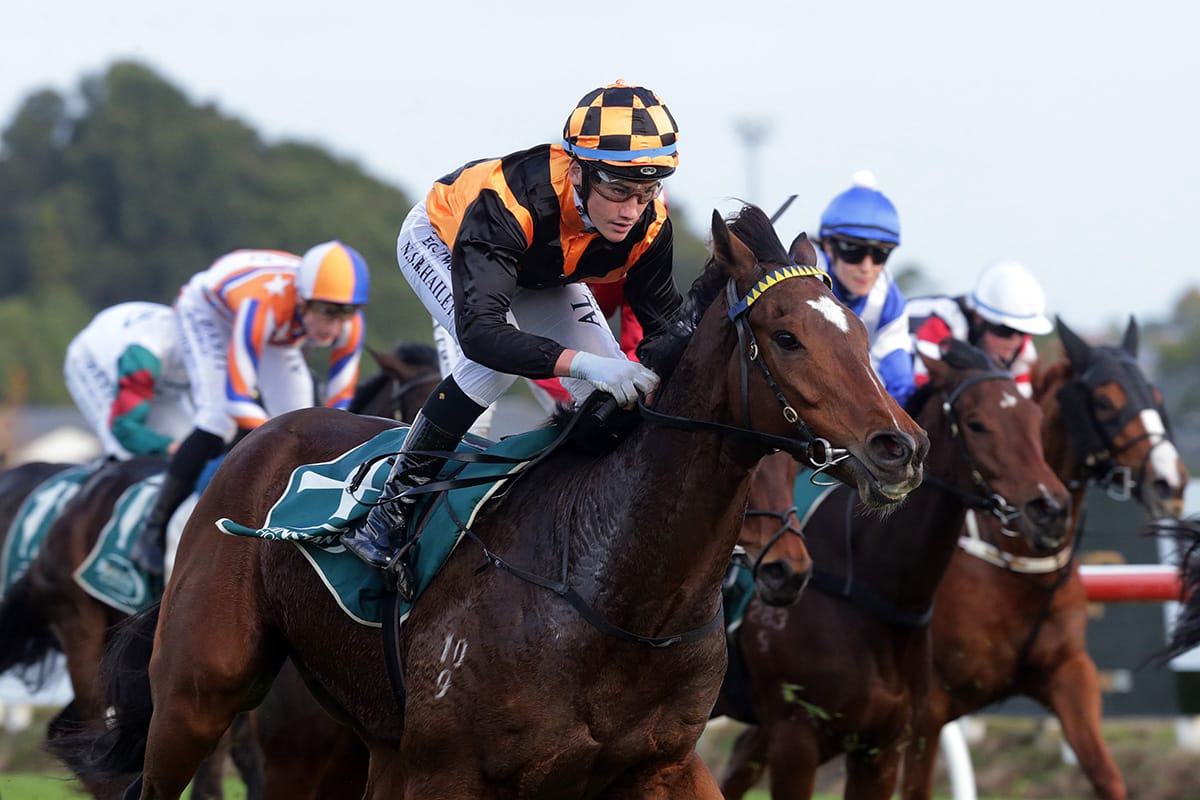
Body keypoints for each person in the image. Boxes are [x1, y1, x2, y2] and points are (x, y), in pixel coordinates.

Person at [340, 80, 686, 576]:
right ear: (578, 170)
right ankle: (387, 512)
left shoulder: (651, 222)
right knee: (493, 366)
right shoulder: (510, 201)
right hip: (443, 240)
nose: (632, 210)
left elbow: (663, 326)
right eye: (617, 188)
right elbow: (481, 332)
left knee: (609, 398)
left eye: (647, 189)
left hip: (541, 269)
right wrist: (585, 365)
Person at [130, 241, 371, 574]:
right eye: (328, 311)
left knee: (306, 418)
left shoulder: (348, 325)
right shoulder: (264, 304)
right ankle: (152, 530)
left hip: (279, 327)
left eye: (346, 312)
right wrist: (283, 445)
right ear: (304, 301)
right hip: (211, 313)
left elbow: (339, 409)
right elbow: (237, 398)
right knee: (218, 419)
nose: (335, 325)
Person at [815, 170, 916, 405]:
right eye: (855, 252)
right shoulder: (805, 277)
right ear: (829, 247)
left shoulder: (889, 300)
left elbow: (900, 383)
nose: (867, 267)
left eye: (881, 254)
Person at [64, 302, 193, 461]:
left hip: (160, 377)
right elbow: (124, 428)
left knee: (195, 449)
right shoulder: (146, 354)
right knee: (127, 455)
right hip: (98, 361)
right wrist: (166, 446)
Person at [908, 260, 1053, 397]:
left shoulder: (1023, 347)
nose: (1014, 340)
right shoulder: (940, 326)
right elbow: (918, 395)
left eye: (1023, 332)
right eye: (1004, 330)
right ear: (979, 318)